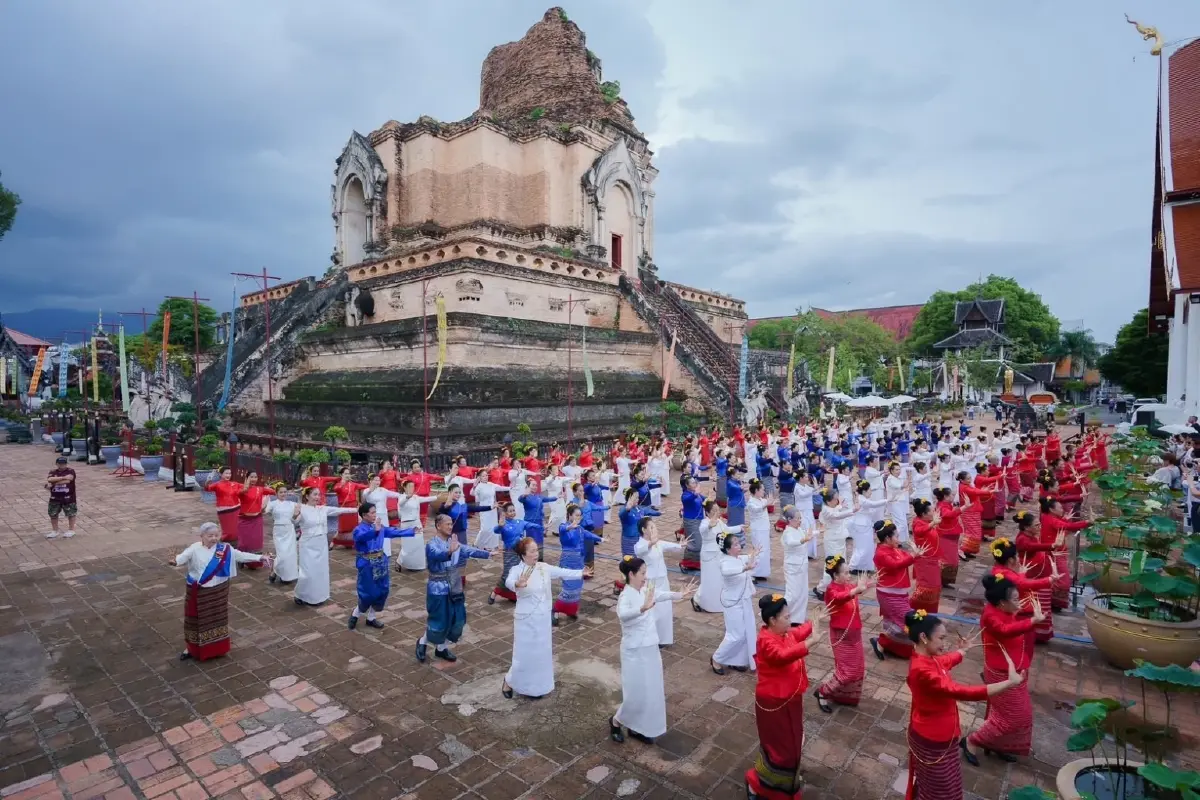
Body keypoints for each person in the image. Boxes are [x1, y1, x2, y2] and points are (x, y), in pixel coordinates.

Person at [904, 609, 1025, 799]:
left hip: (941, 736)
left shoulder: (927, 659)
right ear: (923, 637)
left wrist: (962, 651)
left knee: (940, 787)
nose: (944, 644)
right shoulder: (922, 670)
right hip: (933, 739)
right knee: (940, 792)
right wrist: (1008, 683)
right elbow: (961, 691)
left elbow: (946, 660)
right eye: (941, 638)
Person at [743, 593, 820, 800]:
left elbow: (798, 631)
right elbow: (781, 656)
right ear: (772, 620)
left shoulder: (784, 633)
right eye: (786, 617)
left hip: (790, 699)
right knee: (780, 749)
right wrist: (809, 643)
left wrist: (815, 622)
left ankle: (786, 784)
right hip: (774, 703)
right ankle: (760, 784)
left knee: (793, 742)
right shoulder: (766, 641)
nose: (789, 620)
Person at [965, 572, 1047, 761]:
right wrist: (1032, 621)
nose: (1019, 601)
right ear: (1002, 603)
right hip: (1001, 674)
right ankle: (972, 741)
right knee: (1013, 718)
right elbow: (1005, 630)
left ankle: (997, 744)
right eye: (1015, 599)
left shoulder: (1004, 609)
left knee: (1015, 715)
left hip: (1015, 670)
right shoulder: (991, 616)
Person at [609, 556, 690, 745]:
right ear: (631, 574)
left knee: (651, 691)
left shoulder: (645, 589)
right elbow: (622, 614)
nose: (646, 576)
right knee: (636, 692)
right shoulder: (626, 595)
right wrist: (642, 608)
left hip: (650, 648)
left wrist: (679, 594)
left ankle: (639, 727)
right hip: (634, 652)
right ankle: (616, 721)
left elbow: (659, 594)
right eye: (643, 573)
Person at [171, 522, 271, 661]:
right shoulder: (194, 549)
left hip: (218, 590)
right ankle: (191, 649)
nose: (214, 538)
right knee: (194, 620)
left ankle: (217, 648)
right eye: (210, 535)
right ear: (202, 536)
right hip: (199, 590)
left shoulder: (224, 549)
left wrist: (259, 557)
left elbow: (240, 555)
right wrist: (174, 561)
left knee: (217, 618)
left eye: (216, 535)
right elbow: (180, 559)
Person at [502, 537, 584, 698]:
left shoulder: (543, 567)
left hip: (542, 619)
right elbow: (509, 582)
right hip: (526, 620)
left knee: (540, 655)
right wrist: (517, 584)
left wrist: (581, 572)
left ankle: (535, 688)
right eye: (532, 551)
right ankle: (508, 681)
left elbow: (562, 572)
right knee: (524, 655)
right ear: (523, 554)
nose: (535, 553)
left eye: (536, 550)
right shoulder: (517, 570)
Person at [416, 514, 494, 661]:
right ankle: (422, 642)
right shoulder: (431, 544)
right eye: (447, 524)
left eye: (451, 524)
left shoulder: (454, 542)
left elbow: (469, 550)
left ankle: (442, 648)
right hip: (437, 588)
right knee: (439, 620)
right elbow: (438, 555)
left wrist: (488, 554)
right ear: (438, 526)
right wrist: (449, 552)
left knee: (457, 619)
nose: (450, 527)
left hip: (454, 586)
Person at [813, 555, 872, 712]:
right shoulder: (832, 591)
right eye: (845, 573)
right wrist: (856, 589)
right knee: (848, 671)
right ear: (835, 576)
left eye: (848, 572)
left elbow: (853, 590)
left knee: (858, 668)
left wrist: (868, 584)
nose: (849, 576)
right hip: (842, 636)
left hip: (854, 634)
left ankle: (843, 695)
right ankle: (823, 692)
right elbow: (841, 598)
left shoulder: (846, 585)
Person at [348, 504, 416, 631]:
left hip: (381, 562)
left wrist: (411, 531)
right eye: (372, 513)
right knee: (368, 593)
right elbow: (362, 537)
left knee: (382, 590)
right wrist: (375, 531)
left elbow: (392, 531)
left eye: (375, 512)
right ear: (364, 515)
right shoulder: (359, 530)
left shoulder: (377, 526)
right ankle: (356, 613)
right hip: (367, 564)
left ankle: (371, 618)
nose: (375, 515)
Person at [293, 486, 358, 605]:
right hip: (308, 544)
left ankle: (318, 596)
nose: (317, 497)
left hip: (322, 543)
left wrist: (356, 510)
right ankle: (300, 593)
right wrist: (295, 515)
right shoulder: (301, 508)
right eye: (314, 495)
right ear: (307, 496)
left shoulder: (323, 509)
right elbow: (295, 521)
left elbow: (340, 510)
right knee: (307, 572)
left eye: (319, 495)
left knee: (320, 571)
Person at [871, 519, 925, 660]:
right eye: (895, 536)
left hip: (898, 594)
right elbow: (895, 565)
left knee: (898, 624)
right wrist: (913, 555)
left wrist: (915, 554)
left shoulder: (893, 549)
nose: (898, 539)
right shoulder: (881, 554)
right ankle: (883, 642)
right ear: (887, 538)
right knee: (907, 623)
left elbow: (906, 558)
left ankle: (883, 643)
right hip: (889, 595)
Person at [711, 531, 762, 675]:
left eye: (738, 543)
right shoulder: (724, 562)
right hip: (733, 603)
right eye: (735, 544)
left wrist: (754, 554)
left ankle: (737, 660)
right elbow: (728, 571)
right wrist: (746, 567)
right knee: (736, 634)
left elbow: (748, 559)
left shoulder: (738, 558)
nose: (739, 546)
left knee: (747, 631)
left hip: (743, 599)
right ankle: (716, 658)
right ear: (727, 549)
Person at [634, 517, 687, 646]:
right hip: (650, 582)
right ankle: (651, 637)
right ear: (643, 530)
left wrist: (680, 545)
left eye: (654, 526)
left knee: (665, 610)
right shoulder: (640, 545)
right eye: (651, 527)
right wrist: (651, 543)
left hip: (663, 580)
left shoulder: (658, 543)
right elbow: (640, 550)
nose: (654, 529)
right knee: (652, 611)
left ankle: (663, 638)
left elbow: (670, 546)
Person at [554, 504, 603, 623]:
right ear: (570, 515)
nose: (578, 518)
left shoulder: (580, 529)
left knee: (577, 588)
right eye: (576, 515)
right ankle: (554, 611)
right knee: (568, 588)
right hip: (568, 561)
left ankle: (570, 610)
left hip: (579, 561)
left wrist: (601, 539)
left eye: (580, 516)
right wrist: (570, 527)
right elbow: (562, 530)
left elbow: (589, 534)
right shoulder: (563, 526)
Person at [696, 499, 743, 613]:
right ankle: (704, 602)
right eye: (714, 510)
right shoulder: (705, 523)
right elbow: (703, 530)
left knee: (718, 580)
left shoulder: (719, 522)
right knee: (709, 580)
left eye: (718, 510)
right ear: (707, 513)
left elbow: (727, 530)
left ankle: (717, 603)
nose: (717, 512)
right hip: (709, 556)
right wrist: (710, 526)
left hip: (719, 554)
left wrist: (739, 528)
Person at [815, 489, 855, 599]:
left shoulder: (832, 507)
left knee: (842, 564)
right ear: (828, 501)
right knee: (832, 565)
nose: (837, 500)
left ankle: (839, 585)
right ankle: (821, 588)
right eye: (835, 499)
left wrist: (840, 505)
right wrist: (852, 510)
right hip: (832, 541)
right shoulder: (826, 511)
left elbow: (836, 510)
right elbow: (836, 515)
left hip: (839, 540)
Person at [779, 507, 816, 624]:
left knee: (803, 592)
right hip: (792, 567)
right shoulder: (787, 532)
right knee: (793, 594)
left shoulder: (799, 529)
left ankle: (796, 618)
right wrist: (804, 540)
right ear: (790, 519)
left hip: (802, 565)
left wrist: (818, 531)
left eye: (800, 518)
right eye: (798, 518)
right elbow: (791, 542)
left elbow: (807, 535)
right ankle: (776, 611)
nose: (800, 520)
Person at [264, 486, 301, 585]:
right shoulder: (272, 504)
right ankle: (274, 571)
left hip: (289, 530)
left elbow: (301, 511)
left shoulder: (292, 504)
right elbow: (264, 511)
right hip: (278, 531)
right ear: (276, 493)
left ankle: (286, 575)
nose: (283, 494)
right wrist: (264, 500)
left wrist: (297, 513)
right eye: (281, 492)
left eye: (285, 492)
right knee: (282, 555)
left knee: (290, 554)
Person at [236, 473, 275, 566]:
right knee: (244, 542)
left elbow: (273, 492)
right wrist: (245, 488)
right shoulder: (241, 489)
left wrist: (275, 488)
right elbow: (238, 493)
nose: (254, 479)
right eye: (251, 477)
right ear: (247, 478)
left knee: (256, 541)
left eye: (255, 477)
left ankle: (255, 562)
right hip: (244, 519)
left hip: (257, 518)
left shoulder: (260, 489)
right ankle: (241, 559)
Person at [331, 468, 366, 549]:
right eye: (346, 473)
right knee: (342, 528)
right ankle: (333, 542)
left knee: (354, 526)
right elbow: (336, 489)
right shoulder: (338, 484)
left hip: (353, 508)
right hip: (344, 508)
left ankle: (354, 543)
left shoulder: (352, 484)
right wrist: (342, 483)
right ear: (341, 475)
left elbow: (363, 486)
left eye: (348, 473)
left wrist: (372, 484)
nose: (347, 475)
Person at [206, 467, 243, 543]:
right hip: (224, 511)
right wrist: (208, 481)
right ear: (221, 474)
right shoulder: (217, 485)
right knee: (228, 530)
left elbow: (247, 487)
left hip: (236, 508)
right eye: (226, 473)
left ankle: (237, 545)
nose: (228, 475)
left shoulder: (235, 484)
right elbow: (207, 488)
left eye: (230, 473)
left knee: (237, 528)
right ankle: (224, 544)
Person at [45, 455, 78, 538]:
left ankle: (71, 530)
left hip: (68, 497)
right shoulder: (53, 471)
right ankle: (55, 531)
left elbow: (68, 480)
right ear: (57, 464)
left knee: (71, 513)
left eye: (63, 464)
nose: (62, 465)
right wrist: (63, 477)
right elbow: (49, 479)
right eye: (60, 464)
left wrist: (54, 482)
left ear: (66, 464)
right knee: (53, 514)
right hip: (55, 497)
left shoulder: (71, 471)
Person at [746, 479, 772, 581]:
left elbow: (768, 502)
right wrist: (766, 504)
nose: (763, 492)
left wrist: (769, 501)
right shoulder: (751, 503)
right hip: (757, 530)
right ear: (756, 491)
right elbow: (757, 509)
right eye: (762, 490)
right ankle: (752, 572)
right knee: (758, 551)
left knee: (765, 551)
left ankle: (761, 572)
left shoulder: (762, 500)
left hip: (764, 528)